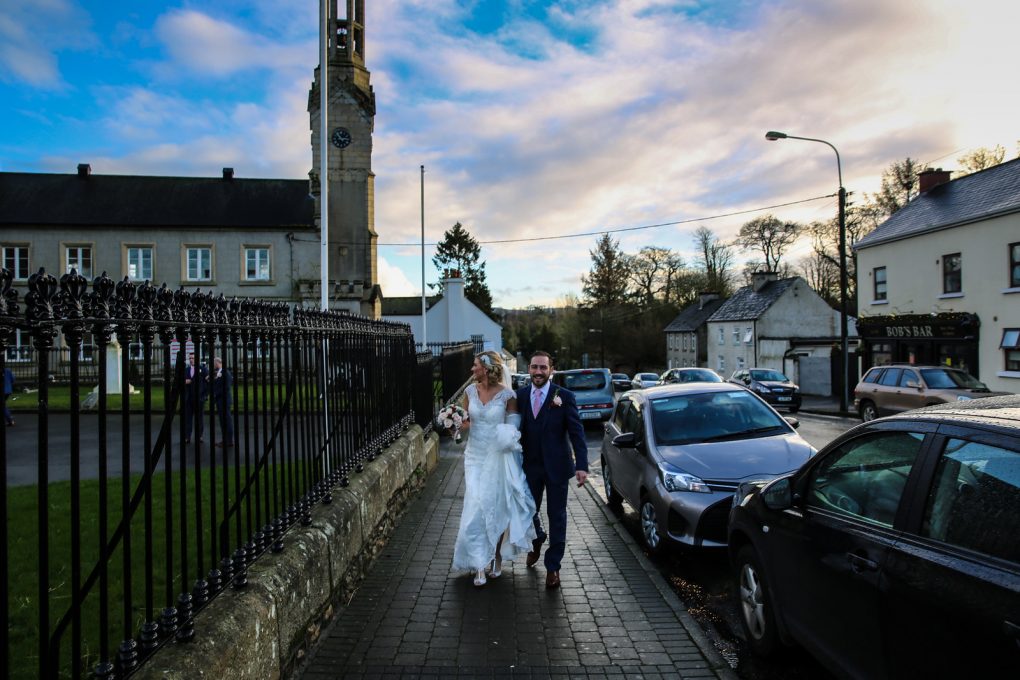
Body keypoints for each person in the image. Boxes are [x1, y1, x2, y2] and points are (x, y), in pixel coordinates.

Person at [451, 351, 538, 587]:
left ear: (487, 369)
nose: (472, 369)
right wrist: (456, 424)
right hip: (474, 458)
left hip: (498, 457)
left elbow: (513, 428)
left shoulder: (508, 395)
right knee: (476, 508)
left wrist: (506, 438)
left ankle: (496, 556)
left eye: (475, 365)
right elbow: (468, 421)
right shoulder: (470, 392)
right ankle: (479, 563)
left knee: (496, 508)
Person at [515, 350, 588, 589]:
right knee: (527, 512)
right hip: (529, 467)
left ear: (551, 370)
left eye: (543, 368)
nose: (538, 372)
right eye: (534, 367)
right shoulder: (521, 396)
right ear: (529, 369)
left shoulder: (564, 397)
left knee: (557, 517)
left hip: (557, 467)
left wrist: (582, 466)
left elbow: (577, 433)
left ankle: (553, 567)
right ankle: (537, 539)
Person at [182, 353, 208, 443]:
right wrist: (185, 381)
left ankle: (199, 436)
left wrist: (205, 395)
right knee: (187, 418)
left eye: (193, 358)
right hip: (188, 398)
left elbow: (208, 381)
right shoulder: (186, 370)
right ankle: (187, 437)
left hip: (199, 398)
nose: (191, 360)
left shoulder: (203, 369)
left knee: (199, 418)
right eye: (190, 358)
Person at [210, 356, 235, 447]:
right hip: (220, 400)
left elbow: (226, 387)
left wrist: (216, 393)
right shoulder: (218, 373)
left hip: (224, 400)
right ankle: (225, 440)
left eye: (213, 363)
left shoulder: (226, 373)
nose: (213, 365)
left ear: (217, 363)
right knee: (222, 421)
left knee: (227, 420)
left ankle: (229, 440)